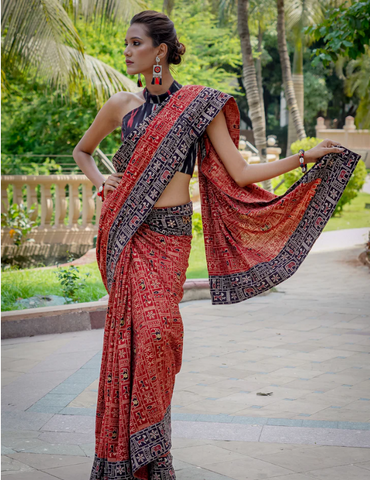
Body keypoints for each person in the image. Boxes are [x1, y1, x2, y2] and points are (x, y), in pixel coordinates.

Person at [72, 10, 360, 480]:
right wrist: (102, 180)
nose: (126, 50)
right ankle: (130, 460)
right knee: (133, 338)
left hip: (170, 237)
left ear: (159, 51)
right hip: (127, 233)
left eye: (135, 42)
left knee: (158, 333)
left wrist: (305, 156)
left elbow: (242, 172)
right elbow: (83, 151)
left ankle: (149, 451)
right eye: (125, 43)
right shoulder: (120, 105)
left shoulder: (198, 106)